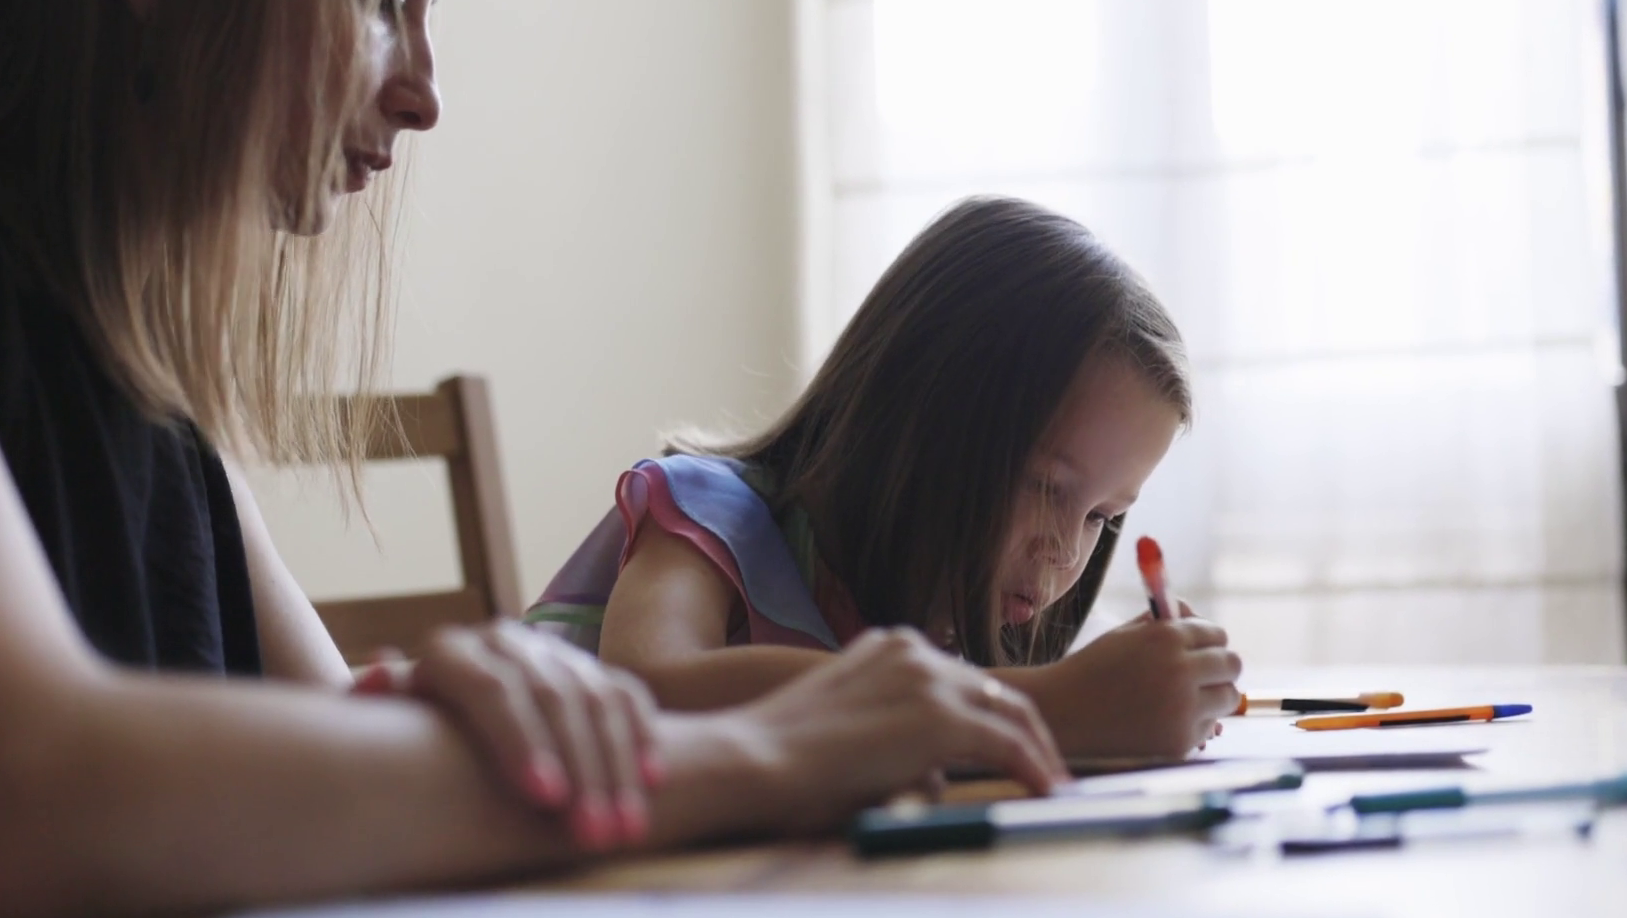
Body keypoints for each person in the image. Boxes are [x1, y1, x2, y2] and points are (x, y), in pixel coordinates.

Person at [0, 0, 1067, 918]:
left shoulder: (155, 398)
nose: (425, 96)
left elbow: (341, 767)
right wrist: (766, 760)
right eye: (382, 0)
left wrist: (442, 710)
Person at [526, 196, 1243, 760]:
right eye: (1047, 487)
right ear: (923, 413)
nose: (1065, 552)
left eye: (1101, 517)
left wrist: (1130, 693)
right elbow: (649, 694)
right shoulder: (708, 514)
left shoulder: (938, 630)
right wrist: (1051, 707)